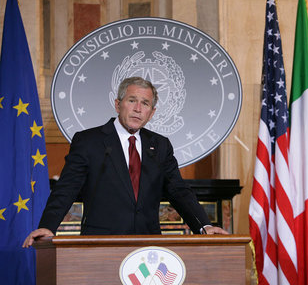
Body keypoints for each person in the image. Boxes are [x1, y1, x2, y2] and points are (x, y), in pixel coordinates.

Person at [24, 77, 226, 247]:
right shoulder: (89, 142)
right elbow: (66, 189)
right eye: (132, 101)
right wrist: (48, 226)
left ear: (152, 112)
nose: (138, 109)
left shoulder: (160, 145)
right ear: (118, 104)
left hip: (149, 246)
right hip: (100, 245)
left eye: (145, 104)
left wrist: (204, 226)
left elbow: (178, 190)